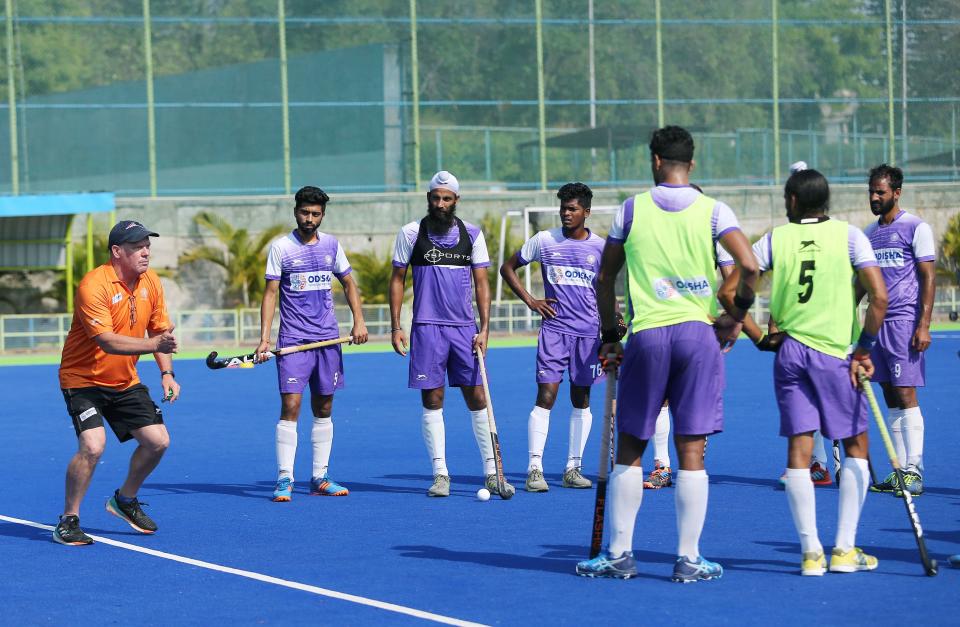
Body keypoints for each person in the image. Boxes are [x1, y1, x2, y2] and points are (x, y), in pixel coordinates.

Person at [576, 126, 758, 582]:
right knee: (691, 450)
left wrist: (609, 336)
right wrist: (735, 316)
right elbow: (750, 266)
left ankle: (620, 555)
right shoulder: (715, 211)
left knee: (632, 449)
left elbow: (604, 279)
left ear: (654, 160)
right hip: (699, 337)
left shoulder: (631, 209)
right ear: (691, 165)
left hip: (650, 336)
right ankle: (689, 559)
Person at [731, 168, 888, 575]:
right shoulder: (851, 235)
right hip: (836, 355)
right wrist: (864, 350)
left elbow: (731, 289)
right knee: (856, 447)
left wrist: (746, 325)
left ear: (794, 201)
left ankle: (811, 553)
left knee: (799, 453)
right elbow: (880, 297)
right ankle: (845, 550)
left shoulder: (774, 239)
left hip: (790, 355)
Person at [53, 220, 180, 546]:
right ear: (117, 251)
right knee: (93, 446)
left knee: (158, 441)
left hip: (124, 380)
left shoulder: (150, 282)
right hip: (82, 380)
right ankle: (68, 520)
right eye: (138, 246)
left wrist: (167, 373)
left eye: (147, 245)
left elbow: (159, 332)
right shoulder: (93, 286)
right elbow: (108, 341)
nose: (146, 252)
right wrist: (156, 347)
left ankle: (125, 499)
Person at [389, 171, 515, 498]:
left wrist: (485, 328)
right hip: (427, 329)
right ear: (429, 199)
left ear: (456, 200)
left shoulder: (472, 234)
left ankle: (491, 471)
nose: (441, 204)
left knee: (478, 398)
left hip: (464, 330)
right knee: (433, 400)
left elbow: (483, 283)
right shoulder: (410, 233)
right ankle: (441, 473)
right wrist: (395, 325)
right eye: (436, 198)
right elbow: (398, 279)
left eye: (447, 198)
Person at [256, 186, 368, 502]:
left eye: (316, 214)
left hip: (329, 339)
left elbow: (348, 283)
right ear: (296, 212)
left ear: (322, 215)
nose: (310, 219)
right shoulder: (281, 248)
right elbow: (270, 294)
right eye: (305, 212)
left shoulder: (332, 245)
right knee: (291, 405)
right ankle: (284, 478)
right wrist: (265, 338)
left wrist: (358, 321)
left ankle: (320, 476)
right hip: (293, 340)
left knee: (325, 406)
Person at [499, 182, 605, 492]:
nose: (566, 214)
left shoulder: (600, 247)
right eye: (563, 208)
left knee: (581, 399)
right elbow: (508, 268)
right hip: (554, 332)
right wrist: (531, 300)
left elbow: (605, 289)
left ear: (586, 211)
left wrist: (614, 320)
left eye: (572, 209)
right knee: (546, 396)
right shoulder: (544, 240)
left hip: (588, 335)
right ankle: (534, 468)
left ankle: (573, 468)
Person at [862, 164, 935, 497]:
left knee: (906, 394)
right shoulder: (868, 233)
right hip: (877, 326)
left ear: (897, 192)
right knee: (889, 394)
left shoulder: (916, 227)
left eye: (881, 192)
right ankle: (900, 469)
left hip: (905, 321)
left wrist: (923, 324)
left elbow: (928, 277)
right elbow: (862, 282)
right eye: (872, 192)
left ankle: (915, 469)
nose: (875, 197)